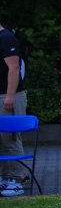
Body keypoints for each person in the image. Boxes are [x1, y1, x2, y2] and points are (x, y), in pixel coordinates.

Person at [0, 22, 27, 197]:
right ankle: (5, 177)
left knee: (10, 138)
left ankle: (17, 178)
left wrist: (10, 95)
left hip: (7, 96)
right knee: (1, 140)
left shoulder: (6, 38)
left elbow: (14, 68)